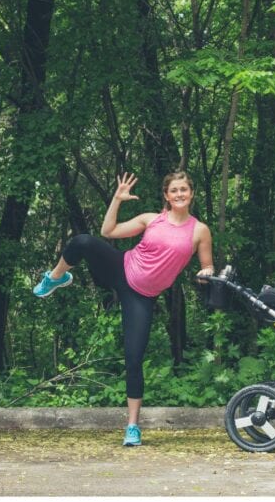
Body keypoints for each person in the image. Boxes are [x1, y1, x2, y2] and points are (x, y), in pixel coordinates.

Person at [32, 171, 213, 447]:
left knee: (133, 358)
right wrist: (117, 199)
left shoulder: (199, 231)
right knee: (82, 241)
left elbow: (206, 266)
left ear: (191, 193)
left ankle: (132, 427)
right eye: (174, 190)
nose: (179, 194)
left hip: (141, 297)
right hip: (120, 268)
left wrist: (207, 273)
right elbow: (109, 232)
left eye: (184, 190)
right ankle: (56, 278)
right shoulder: (151, 219)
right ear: (166, 195)